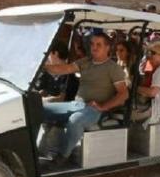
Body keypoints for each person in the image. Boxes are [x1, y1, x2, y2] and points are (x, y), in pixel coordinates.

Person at [40, 33, 128, 167]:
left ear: (107, 47)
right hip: (76, 104)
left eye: (99, 44)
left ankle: (62, 156)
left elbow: (123, 94)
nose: (94, 47)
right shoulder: (85, 61)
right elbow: (64, 69)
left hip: (94, 109)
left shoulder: (113, 68)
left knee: (75, 120)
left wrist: (104, 106)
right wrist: (42, 66)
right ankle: (37, 150)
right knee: (37, 109)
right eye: (92, 44)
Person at [135, 42, 160, 126]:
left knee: (125, 114)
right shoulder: (157, 70)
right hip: (151, 105)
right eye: (148, 53)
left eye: (152, 53)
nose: (149, 56)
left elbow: (152, 92)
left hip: (156, 110)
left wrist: (134, 88)